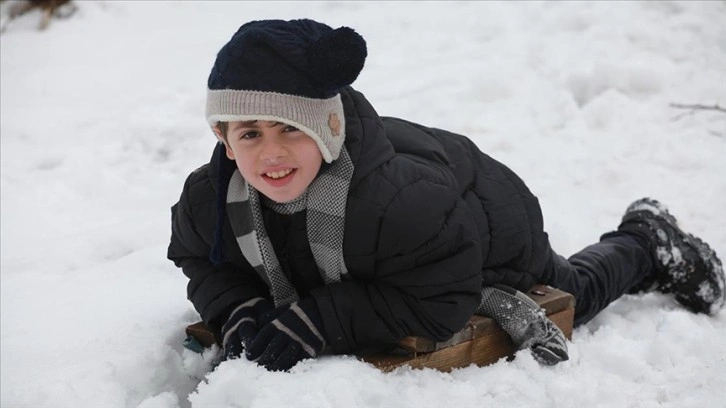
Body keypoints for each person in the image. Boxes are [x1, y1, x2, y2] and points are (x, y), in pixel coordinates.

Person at [167, 19, 725, 372]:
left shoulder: (396, 206)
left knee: (573, 289)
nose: (271, 154)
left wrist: (323, 319)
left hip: (480, 221)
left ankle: (647, 241)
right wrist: (236, 306)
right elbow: (199, 257)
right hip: (414, 224)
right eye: (250, 134)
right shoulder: (210, 198)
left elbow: (445, 297)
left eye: (291, 129)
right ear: (224, 140)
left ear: (328, 129)